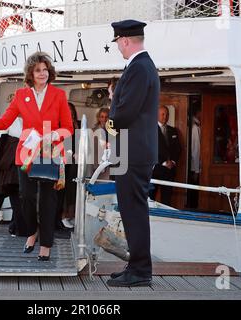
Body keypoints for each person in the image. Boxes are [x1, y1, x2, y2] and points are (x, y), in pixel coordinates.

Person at [0, 52, 73, 261]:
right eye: (37, 70)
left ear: (49, 72)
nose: (42, 73)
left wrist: (52, 135)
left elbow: (68, 128)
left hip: (50, 153)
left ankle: (45, 245)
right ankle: (32, 232)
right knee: (25, 197)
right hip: (26, 155)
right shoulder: (20, 96)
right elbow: (4, 123)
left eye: (45, 70)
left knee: (48, 201)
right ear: (31, 74)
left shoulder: (59, 95)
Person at [105, 19, 160, 287]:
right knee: (131, 210)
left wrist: (109, 125)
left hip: (132, 151)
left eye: (118, 43)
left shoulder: (139, 67)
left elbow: (125, 112)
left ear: (125, 40)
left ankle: (139, 271)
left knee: (133, 211)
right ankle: (136, 265)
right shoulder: (141, 66)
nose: (118, 48)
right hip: (130, 149)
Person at [149, 106, 181, 206]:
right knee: (151, 197)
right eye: (162, 114)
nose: (165, 116)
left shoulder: (173, 130)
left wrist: (173, 162)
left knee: (167, 200)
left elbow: (178, 149)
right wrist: (163, 162)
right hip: (155, 170)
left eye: (167, 114)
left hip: (169, 171)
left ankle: (166, 219)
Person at [55, 102, 79, 230]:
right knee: (61, 189)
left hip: (74, 161)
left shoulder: (77, 124)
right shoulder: (59, 125)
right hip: (62, 159)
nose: (70, 113)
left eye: (71, 111)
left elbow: (80, 141)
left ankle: (69, 215)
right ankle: (61, 216)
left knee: (72, 188)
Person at [187, 107, 201, 208]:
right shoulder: (195, 127)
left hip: (194, 165)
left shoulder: (196, 125)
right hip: (193, 166)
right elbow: (195, 150)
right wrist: (196, 170)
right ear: (198, 112)